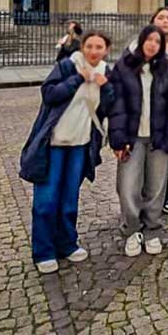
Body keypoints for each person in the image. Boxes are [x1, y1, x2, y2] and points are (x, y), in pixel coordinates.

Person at [20, 30, 115, 272]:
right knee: (46, 199)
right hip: (53, 144)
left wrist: (106, 89)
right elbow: (49, 94)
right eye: (90, 46)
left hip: (80, 145)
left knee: (70, 198)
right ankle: (43, 251)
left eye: (99, 47)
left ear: (106, 50)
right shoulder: (66, 66)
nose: (94, 51)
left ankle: (67, 244)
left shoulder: (106, 72)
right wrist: (78, 79)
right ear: (82, 47)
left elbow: (109, 107)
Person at [108, 26, 168, 257]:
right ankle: (132, 228)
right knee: (128, 185)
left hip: (159, 137)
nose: (152, 44)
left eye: (157, 41)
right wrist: (118, 140)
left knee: (156, 186)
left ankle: (152, 228)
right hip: (133, 137)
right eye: (148, 40)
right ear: (141, 42)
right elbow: (116, 105)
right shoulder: (125, 67)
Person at [126, 7, 168, 214]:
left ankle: (163, 195)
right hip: (144, 110)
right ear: (152, 21)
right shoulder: (138, 47)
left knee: (164, 155)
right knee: (140, 160)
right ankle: (139, 200)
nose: (165, 21)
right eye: (161, 17)